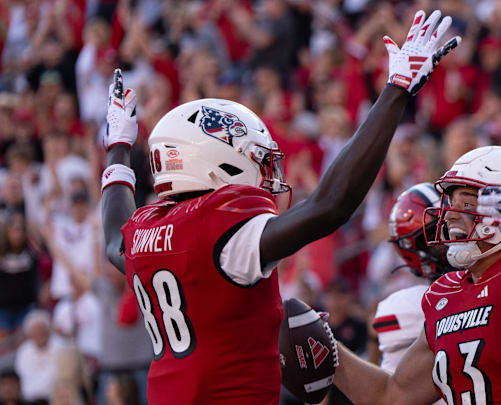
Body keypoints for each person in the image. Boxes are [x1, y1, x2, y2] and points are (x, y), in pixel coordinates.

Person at [100, 10, 460, 405]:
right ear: (215, 162)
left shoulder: (145, 230)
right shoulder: (216, 229)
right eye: (256, 159)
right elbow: (329, 207)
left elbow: (112, 240)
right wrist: (397, 90)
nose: (265, 173)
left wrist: (118, 145)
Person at [333, 146, 501, 404]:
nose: (450, 216)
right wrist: (329, 350)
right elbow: (391, 397)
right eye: (451, 203)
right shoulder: (444, 292)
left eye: (467, 203)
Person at [373, 182, 454, 374]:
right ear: (413, 248)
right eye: (436, 234)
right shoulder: (406, 307)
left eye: (451, 226)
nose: (452, 239)